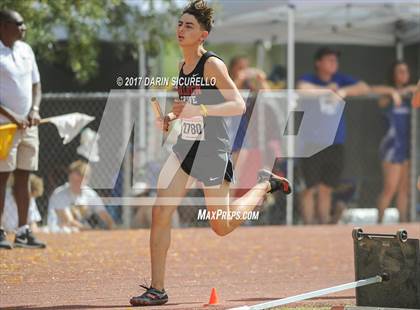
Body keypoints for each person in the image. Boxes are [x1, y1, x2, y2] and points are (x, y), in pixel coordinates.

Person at [129, 1, 292, 306]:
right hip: (186, 147)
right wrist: (171, 118)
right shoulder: (181, 67)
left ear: (202, 35)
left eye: (188, 26)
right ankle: (158, 288)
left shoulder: (213, 64)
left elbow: (238, 105)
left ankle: (264, 185)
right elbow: (186, 107)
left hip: (213, 149)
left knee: (221, 226)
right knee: (160, 210)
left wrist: (198, 108)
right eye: (179, 23)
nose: (181, 29)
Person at [0, 9, 45, 249]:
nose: (24, 27)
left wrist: (34, 110)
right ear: (4, 26)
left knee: (24, 177)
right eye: (19, 24)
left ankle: (22, 231)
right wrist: (13, 116)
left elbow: (36, 84)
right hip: (4, 127)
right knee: (1, 177)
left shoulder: (26, 50)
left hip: (28, 125)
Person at [377, 61, 418, 223]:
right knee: (390, 188)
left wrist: (408, 90)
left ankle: (404, 222)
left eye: (405, 71)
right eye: (399, 71)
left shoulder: (410, 96)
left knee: (404, 189)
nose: (403, 75)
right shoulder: (388, 95)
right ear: (393, 74)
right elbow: (375, 94)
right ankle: (378, 223)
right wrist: (394, 92)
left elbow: (416, 89)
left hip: (407, 147)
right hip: (391, 147)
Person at [47, 160, 115, 231]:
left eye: (79, 180)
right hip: (59, 233)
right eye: (73, 180)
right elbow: (68, 221)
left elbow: (104, 215)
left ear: (87, 179)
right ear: (69, 177)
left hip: (81, 233)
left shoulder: (90, 194)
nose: (75, 183)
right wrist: (93, 232)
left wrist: (113, 227)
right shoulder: (59, 194)